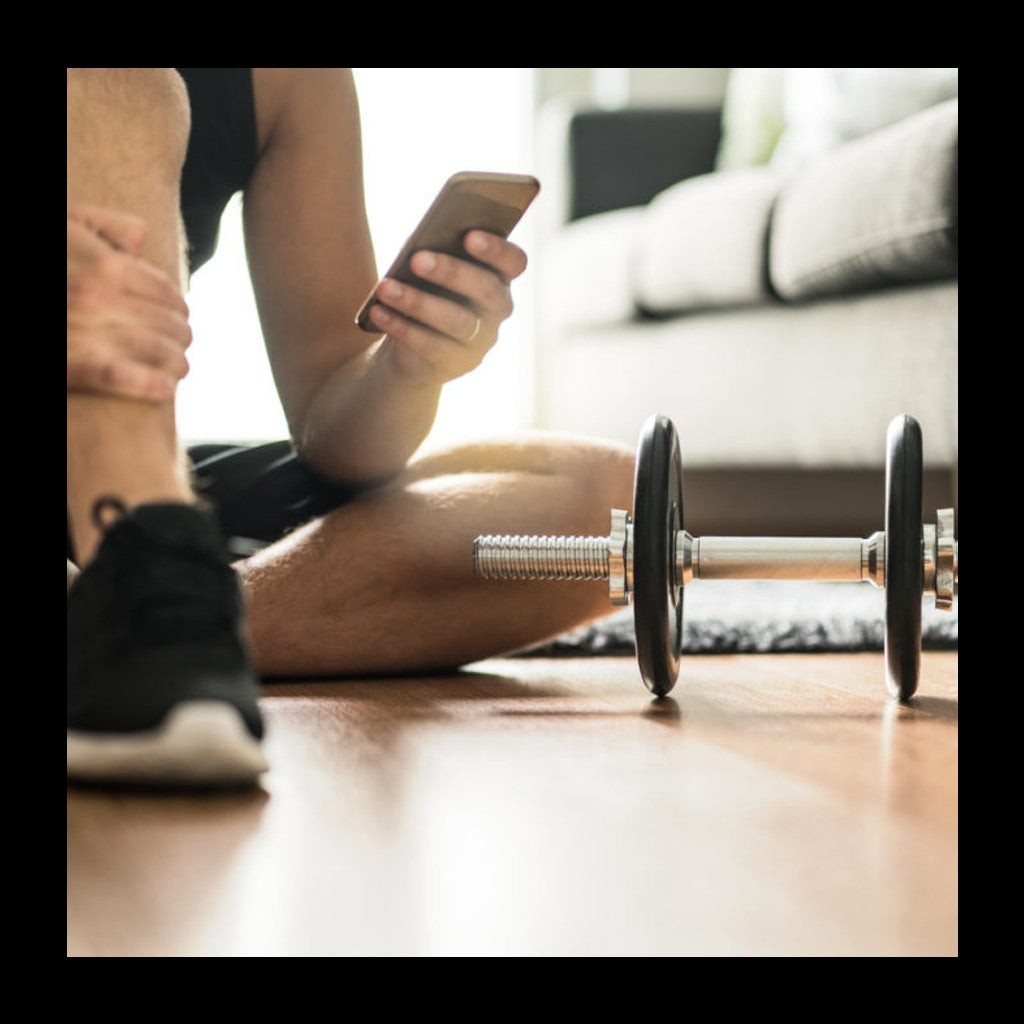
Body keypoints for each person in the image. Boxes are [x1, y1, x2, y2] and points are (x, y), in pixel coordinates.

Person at [67, 68, 633, 787]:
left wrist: (408, 366)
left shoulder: (295, 82)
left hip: (131, 526)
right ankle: (151, 625)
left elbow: (337, 443)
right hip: (119, 505)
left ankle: (160, 619)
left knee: (607, 514)